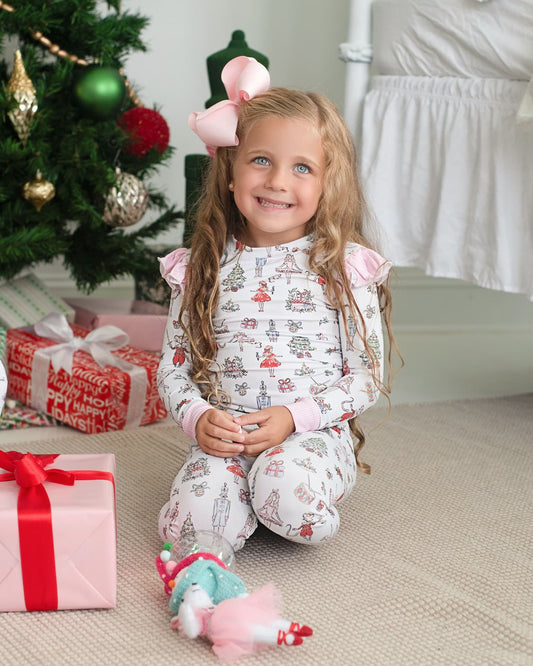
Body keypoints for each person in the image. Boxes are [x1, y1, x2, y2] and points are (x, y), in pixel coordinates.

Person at [157, 56, 398, 553]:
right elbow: (172, 368)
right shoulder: (200, 265)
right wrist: (198, 417)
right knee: (190, 528)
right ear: (230, 170)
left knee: (288, 493)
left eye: (302, 167)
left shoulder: (343, 266)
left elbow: (366, 376)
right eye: (261, 159)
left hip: (309, 436)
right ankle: (236, 503)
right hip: (225, 437)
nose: (277, 181)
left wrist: (295, 418)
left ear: (327, 184)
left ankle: (273, 494)